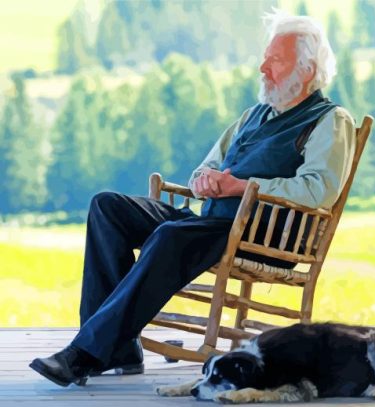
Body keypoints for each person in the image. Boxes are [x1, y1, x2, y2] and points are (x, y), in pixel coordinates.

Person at [29, 10, 356, 387]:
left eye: (275, 60)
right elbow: (209, 165)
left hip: (259, 235)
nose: (263, 68)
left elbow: (320, 190)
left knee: (170, 235)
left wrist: (241, 186)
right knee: (108, 206)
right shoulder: (254, 115)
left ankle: (84, 354)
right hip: (211, 224)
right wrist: (204, 181)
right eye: (265, 57)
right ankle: (118, 350)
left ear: (308, 70)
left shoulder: (329, 120)